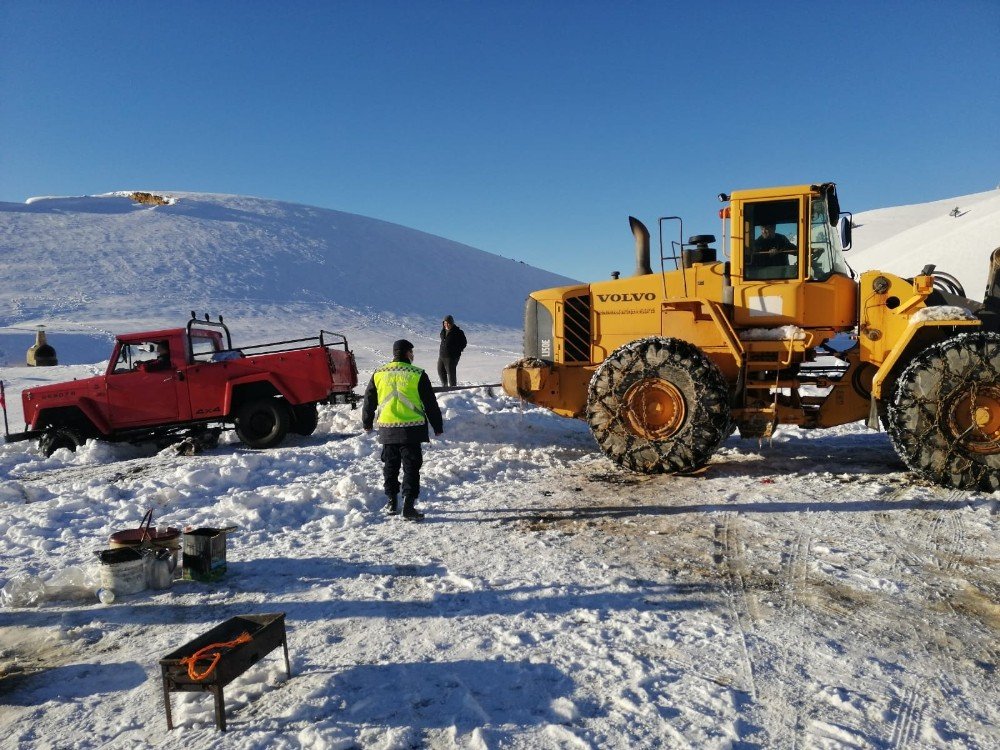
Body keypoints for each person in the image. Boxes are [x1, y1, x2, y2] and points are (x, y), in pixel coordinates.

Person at [362, 339, 444, 520]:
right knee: (411, 468)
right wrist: (437, 426)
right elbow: (430, 403)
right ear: (408, 353)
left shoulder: (379, 373)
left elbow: (369, 400)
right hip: (412, 429)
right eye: (412, 352)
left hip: (387, 428)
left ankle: (392, 501)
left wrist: (367, 422)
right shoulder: (417, 373)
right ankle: (408, 505)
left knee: (390, 466)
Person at [437, 315, 468, 388]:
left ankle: (453, 389)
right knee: (440, 371)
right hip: (442, 355)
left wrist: (456, 352)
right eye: (445, 323)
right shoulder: (443, 331)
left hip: (451, 357)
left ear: (452, 323)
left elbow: (464, 343)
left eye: (448, 323)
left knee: (451, 374)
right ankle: (444, 387)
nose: (446, 325)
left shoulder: (458, 332)